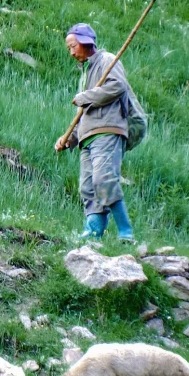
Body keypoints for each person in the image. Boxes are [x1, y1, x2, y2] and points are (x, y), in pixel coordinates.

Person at [54, 23, 136, 241]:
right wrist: (69, 138)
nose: (71, 52)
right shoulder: (85, 73)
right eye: (69, 48)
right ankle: (93, 232)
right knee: (88, 187)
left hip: (107, 130)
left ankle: (126, 232)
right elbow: (83, 113)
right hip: (87, 137)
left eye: (73, 46)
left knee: (104, 179)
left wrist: (86, 96)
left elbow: (117, 85)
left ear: (85, 42)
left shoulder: (107, 60)